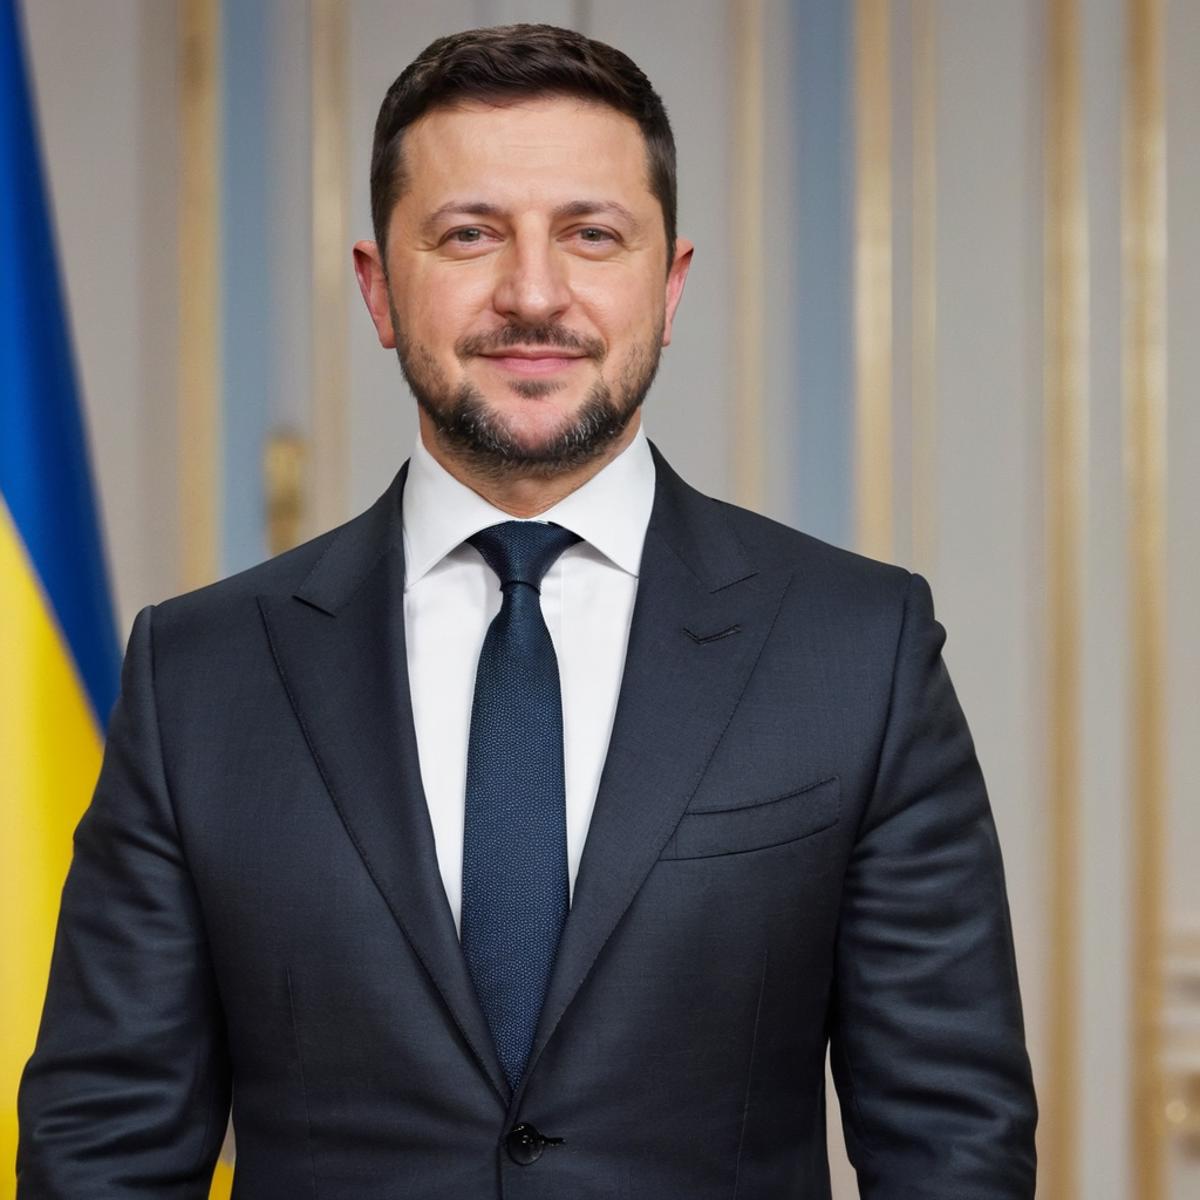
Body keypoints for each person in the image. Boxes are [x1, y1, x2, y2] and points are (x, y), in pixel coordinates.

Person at [17, 23, 1037, 1199]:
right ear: (378, 285)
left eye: (592, 235)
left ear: (671, 284)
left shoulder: (861, 650)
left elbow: (953, 1145)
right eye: (469, 235)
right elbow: (102, 1149)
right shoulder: (195, 673)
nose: (533, 293)